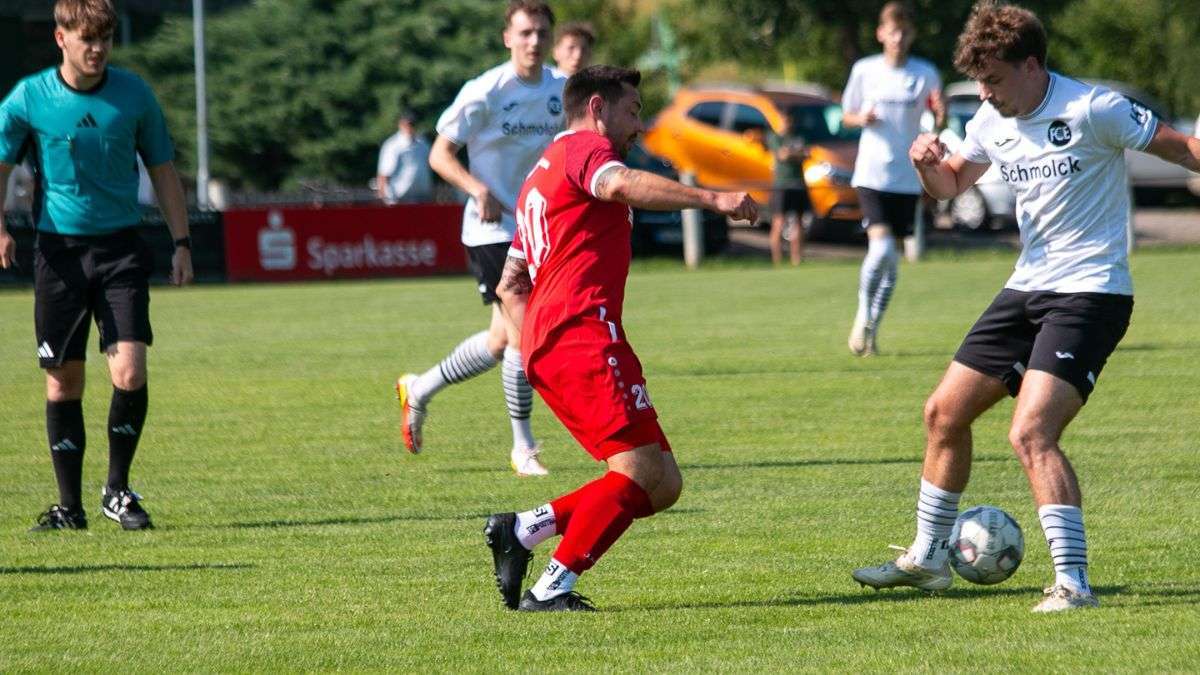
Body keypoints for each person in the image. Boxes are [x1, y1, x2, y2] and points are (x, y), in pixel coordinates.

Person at [851, 0, 1200, 612]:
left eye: (993, 80)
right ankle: (929, 558)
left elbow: (1185, 150)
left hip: (1092, 292)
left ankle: (1073, 583)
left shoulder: (1095, 108)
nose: (984, 94)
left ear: (1032, 66)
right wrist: (928, 167)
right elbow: (952, 185)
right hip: (1027, 286)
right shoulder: (990, 118)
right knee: (943, 414)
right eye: (979, 81)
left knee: (1031, 431)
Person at [483, 65, 758, 611]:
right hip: (581, 333)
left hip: (564, 338)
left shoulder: (540, 175)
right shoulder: (585, 150)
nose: (639, 124)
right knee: (636, 470)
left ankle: (526, 530)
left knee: (662, 482)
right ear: (596, 109)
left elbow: (510, 283)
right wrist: (713, 199)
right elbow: (619, 183)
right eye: (632, 111)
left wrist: (533, 344)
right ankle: (551, 586)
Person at [0, 0, 193, 531]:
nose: (98, 48)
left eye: (104, 38)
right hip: (58, 253)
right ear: (61, 37)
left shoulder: (134, 95)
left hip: (121, 251)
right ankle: (69, 507)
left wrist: (181, 243)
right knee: (63, 382)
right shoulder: (29, 98)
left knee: (129, 372)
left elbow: (163, 169)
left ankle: (118, 491)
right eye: (87, 38)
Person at [395, 0, 566, 476]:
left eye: (540, 33)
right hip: (491, 230)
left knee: (498, 341)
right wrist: (476, 189)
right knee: (523, 336)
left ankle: (420, 388)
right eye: (525, 33)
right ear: (507, 38)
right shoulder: (485, 91)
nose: (533, 41)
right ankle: (523, 448)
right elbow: (440, 155)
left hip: (536, 229)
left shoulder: (561, 90)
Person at [841, 1, 944, 355]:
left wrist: (940, 117)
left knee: (893, 263)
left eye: (904, 31)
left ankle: (872, 332)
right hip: (872, 172)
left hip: (907, 176)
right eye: (892, 31)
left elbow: (934, 119)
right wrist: (861, 118)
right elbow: (846, 115)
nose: (898, 37)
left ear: (911, 35)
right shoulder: (865, 70)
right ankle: (862, 315)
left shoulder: (926, 72)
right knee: (881, 247)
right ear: (881, 33)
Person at [766, 114, 810, 266]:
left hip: (798, 184)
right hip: (781, 185)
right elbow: (782, 155)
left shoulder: (798, 136)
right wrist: (795, 154)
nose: (787, 123)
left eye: (789, 120)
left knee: (798, 222)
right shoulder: (774, 137)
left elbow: (807, 154)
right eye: (784, 120)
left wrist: (793, 153)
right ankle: (777, 260)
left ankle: (796, 259)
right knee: (779, 221)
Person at [375, 110, 432, 204]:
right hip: (399, 200)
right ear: (400, 124)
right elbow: (384, 174)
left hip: (422, 198)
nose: (409, 127)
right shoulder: (392, 145)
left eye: (412, 124)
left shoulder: (423, 144)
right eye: (407, 124)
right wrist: (383, 198)